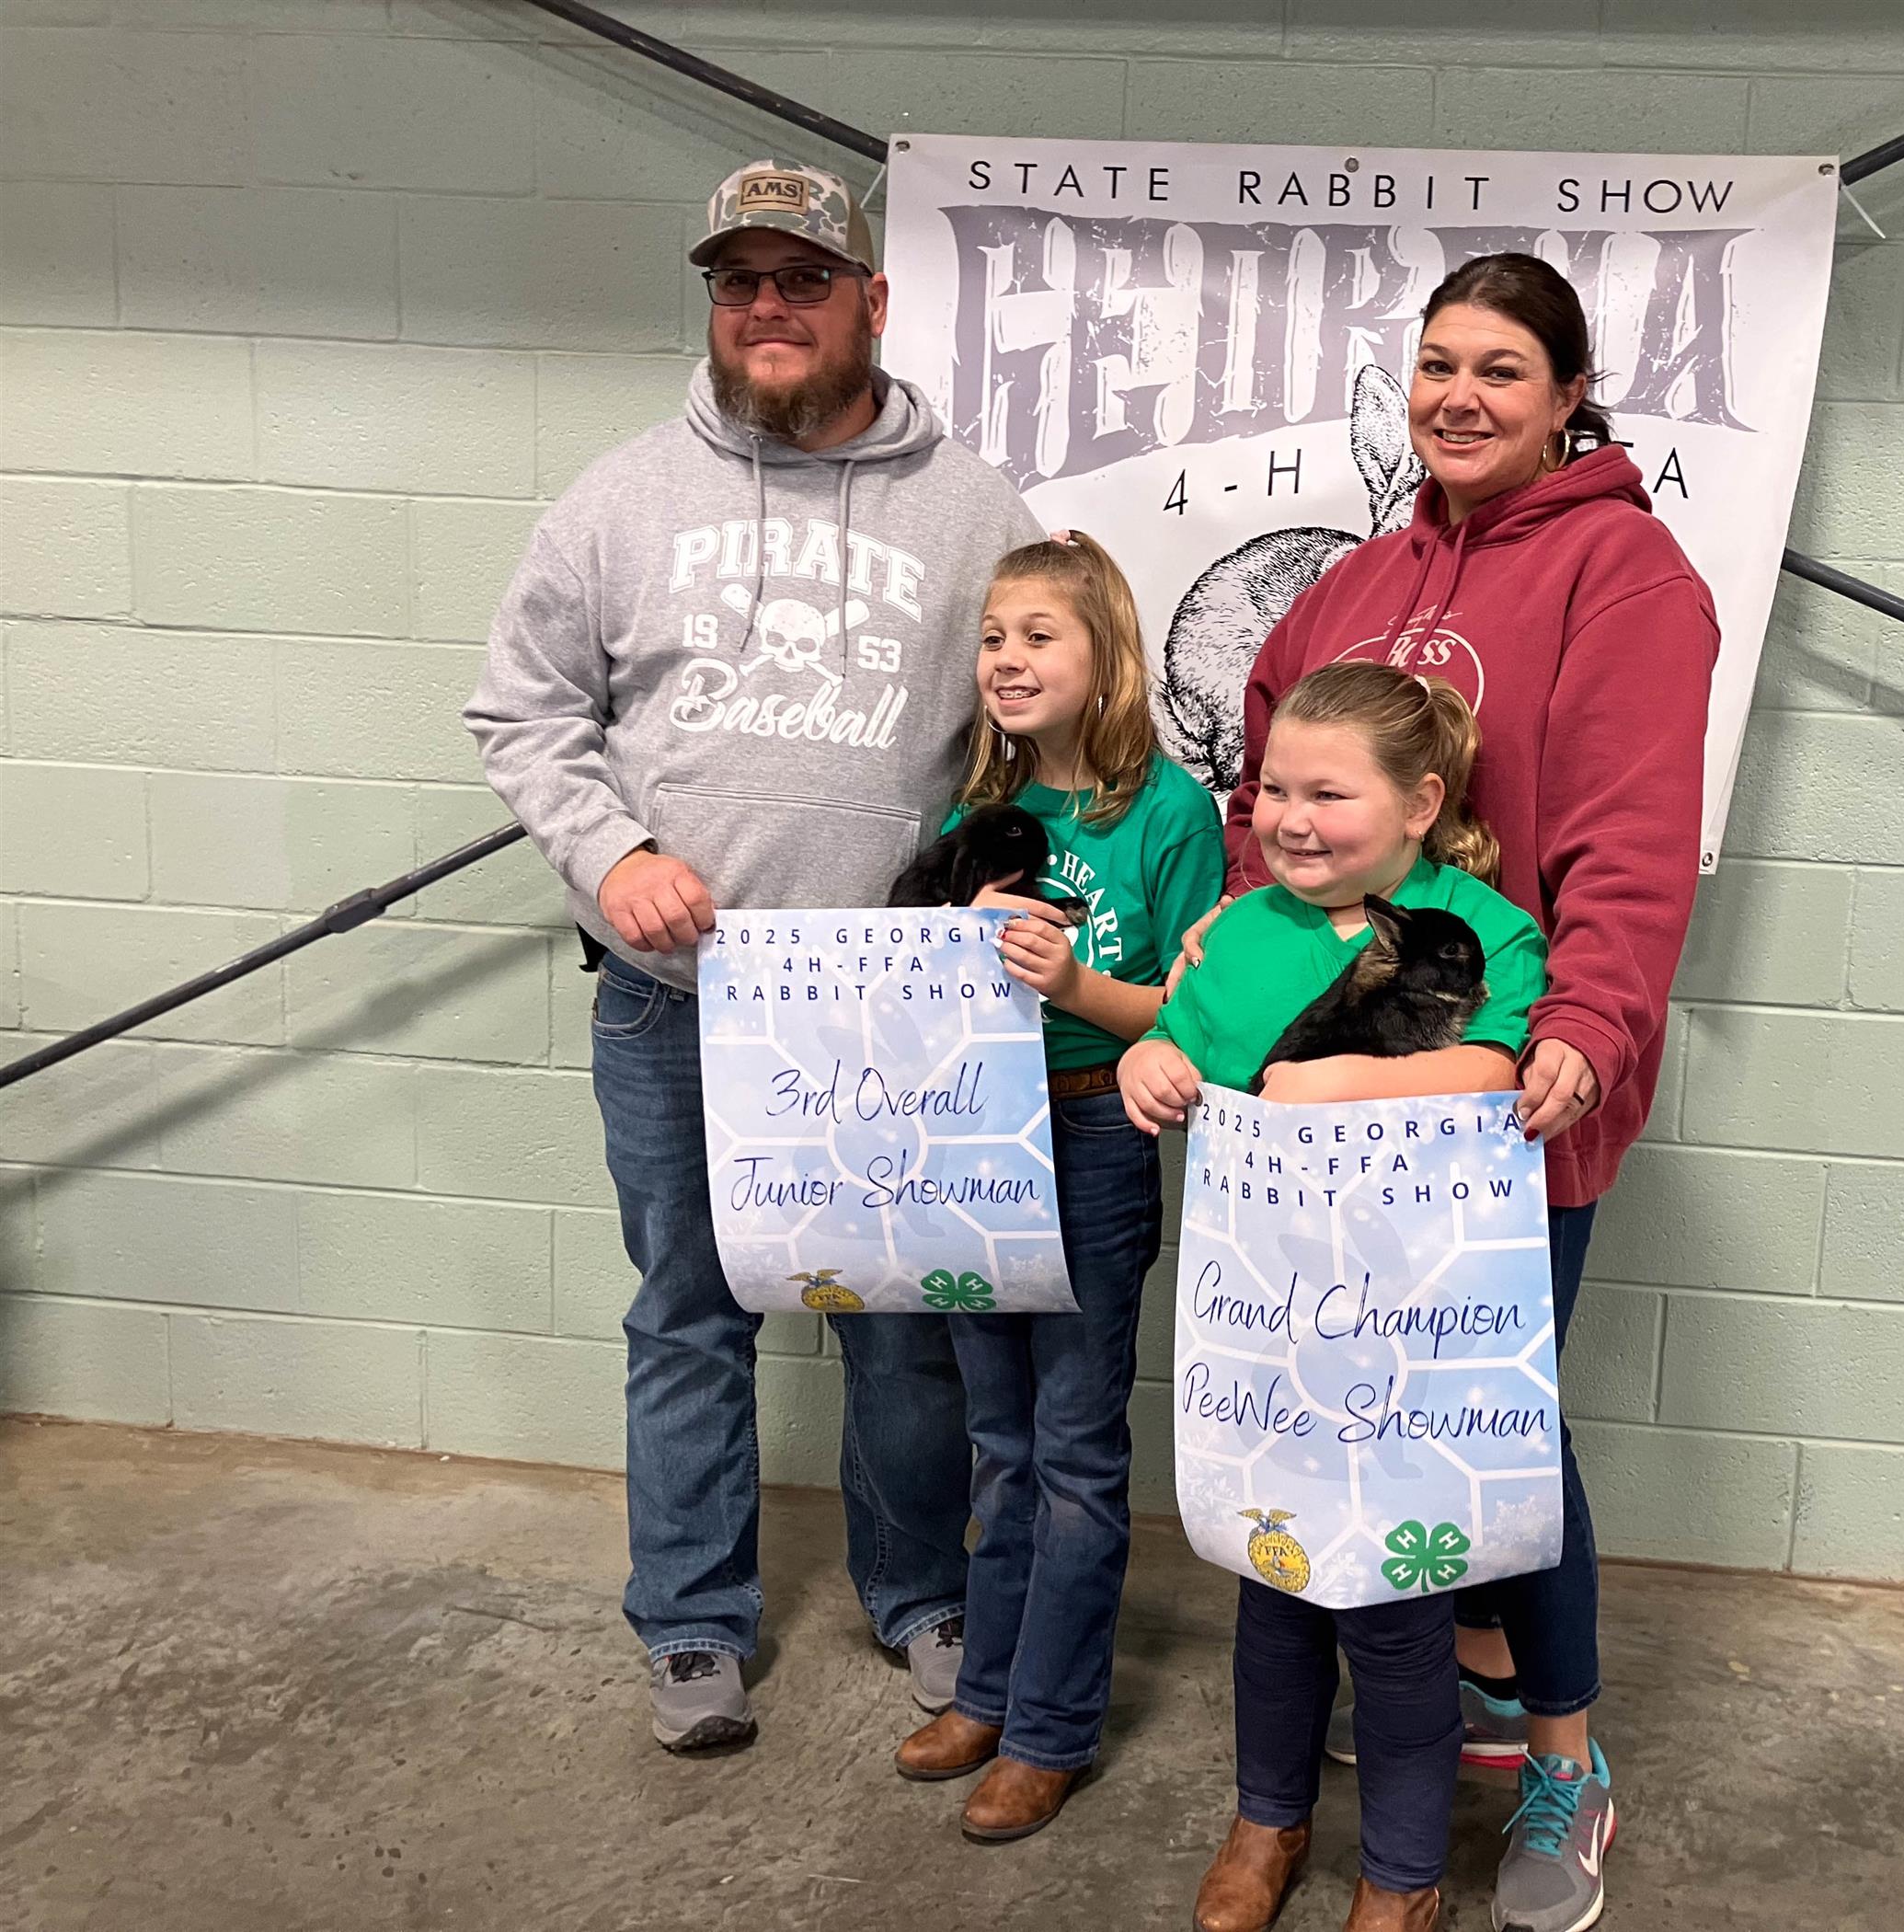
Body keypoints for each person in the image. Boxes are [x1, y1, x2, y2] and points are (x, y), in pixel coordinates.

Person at [465, 160, 1044, 1753]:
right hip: (677, 1004)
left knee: (902, 1324)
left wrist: (1004, 883)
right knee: (688, 1316)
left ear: (872, 300)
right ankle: (691, 1621)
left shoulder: (977, 512)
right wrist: (614, 856)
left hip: (888, 1016)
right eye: (739, 282)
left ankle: (923, 1594)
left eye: (803, 279)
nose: (768, 308)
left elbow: (1041, 721)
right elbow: (522, 711)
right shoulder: (619, 499)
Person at [1217, 255, 1721, 1932]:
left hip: (1510, 1090)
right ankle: (1471, 1687)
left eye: (1503, 368)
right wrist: (1242, 943)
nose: (1460, 396)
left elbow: (1636, 830)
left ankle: (1566, 1760)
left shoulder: (1627, 573)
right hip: (1315, 1108)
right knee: (1341, 1406)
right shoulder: (1357, 579)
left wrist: (1593, 1018)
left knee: (1492, 1422)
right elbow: (1268, 787)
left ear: (1571, 396)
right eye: (1437, 363)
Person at [1125, 662, 1547, 1932]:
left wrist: (1342, 1084)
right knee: (1274, 1594)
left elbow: (1498, 1062)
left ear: (1421, 804)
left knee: (1398, 1618)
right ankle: (1268, 1818)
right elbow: (1179, 1036)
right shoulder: (1245, 930)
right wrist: (1152, 1059)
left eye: (1329, 794)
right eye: (1274, 791)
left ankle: (1403, 1875)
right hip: (1269, 1337)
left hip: (1419, 1338)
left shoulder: (1479, 926)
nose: (1292, 820)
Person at [890, 533, 1223, 1839]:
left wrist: (1073, 983)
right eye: (993, 638)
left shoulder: (1170, 815)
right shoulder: (975, 813)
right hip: (981, 1139)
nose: (1008, 659)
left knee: (1077, 1450)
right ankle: (987, 1690)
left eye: (1039, 636)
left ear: (1107, 657)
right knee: (1002, 1441)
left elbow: (1191, 1019)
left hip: (1092, 1138)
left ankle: (1051, 1727)